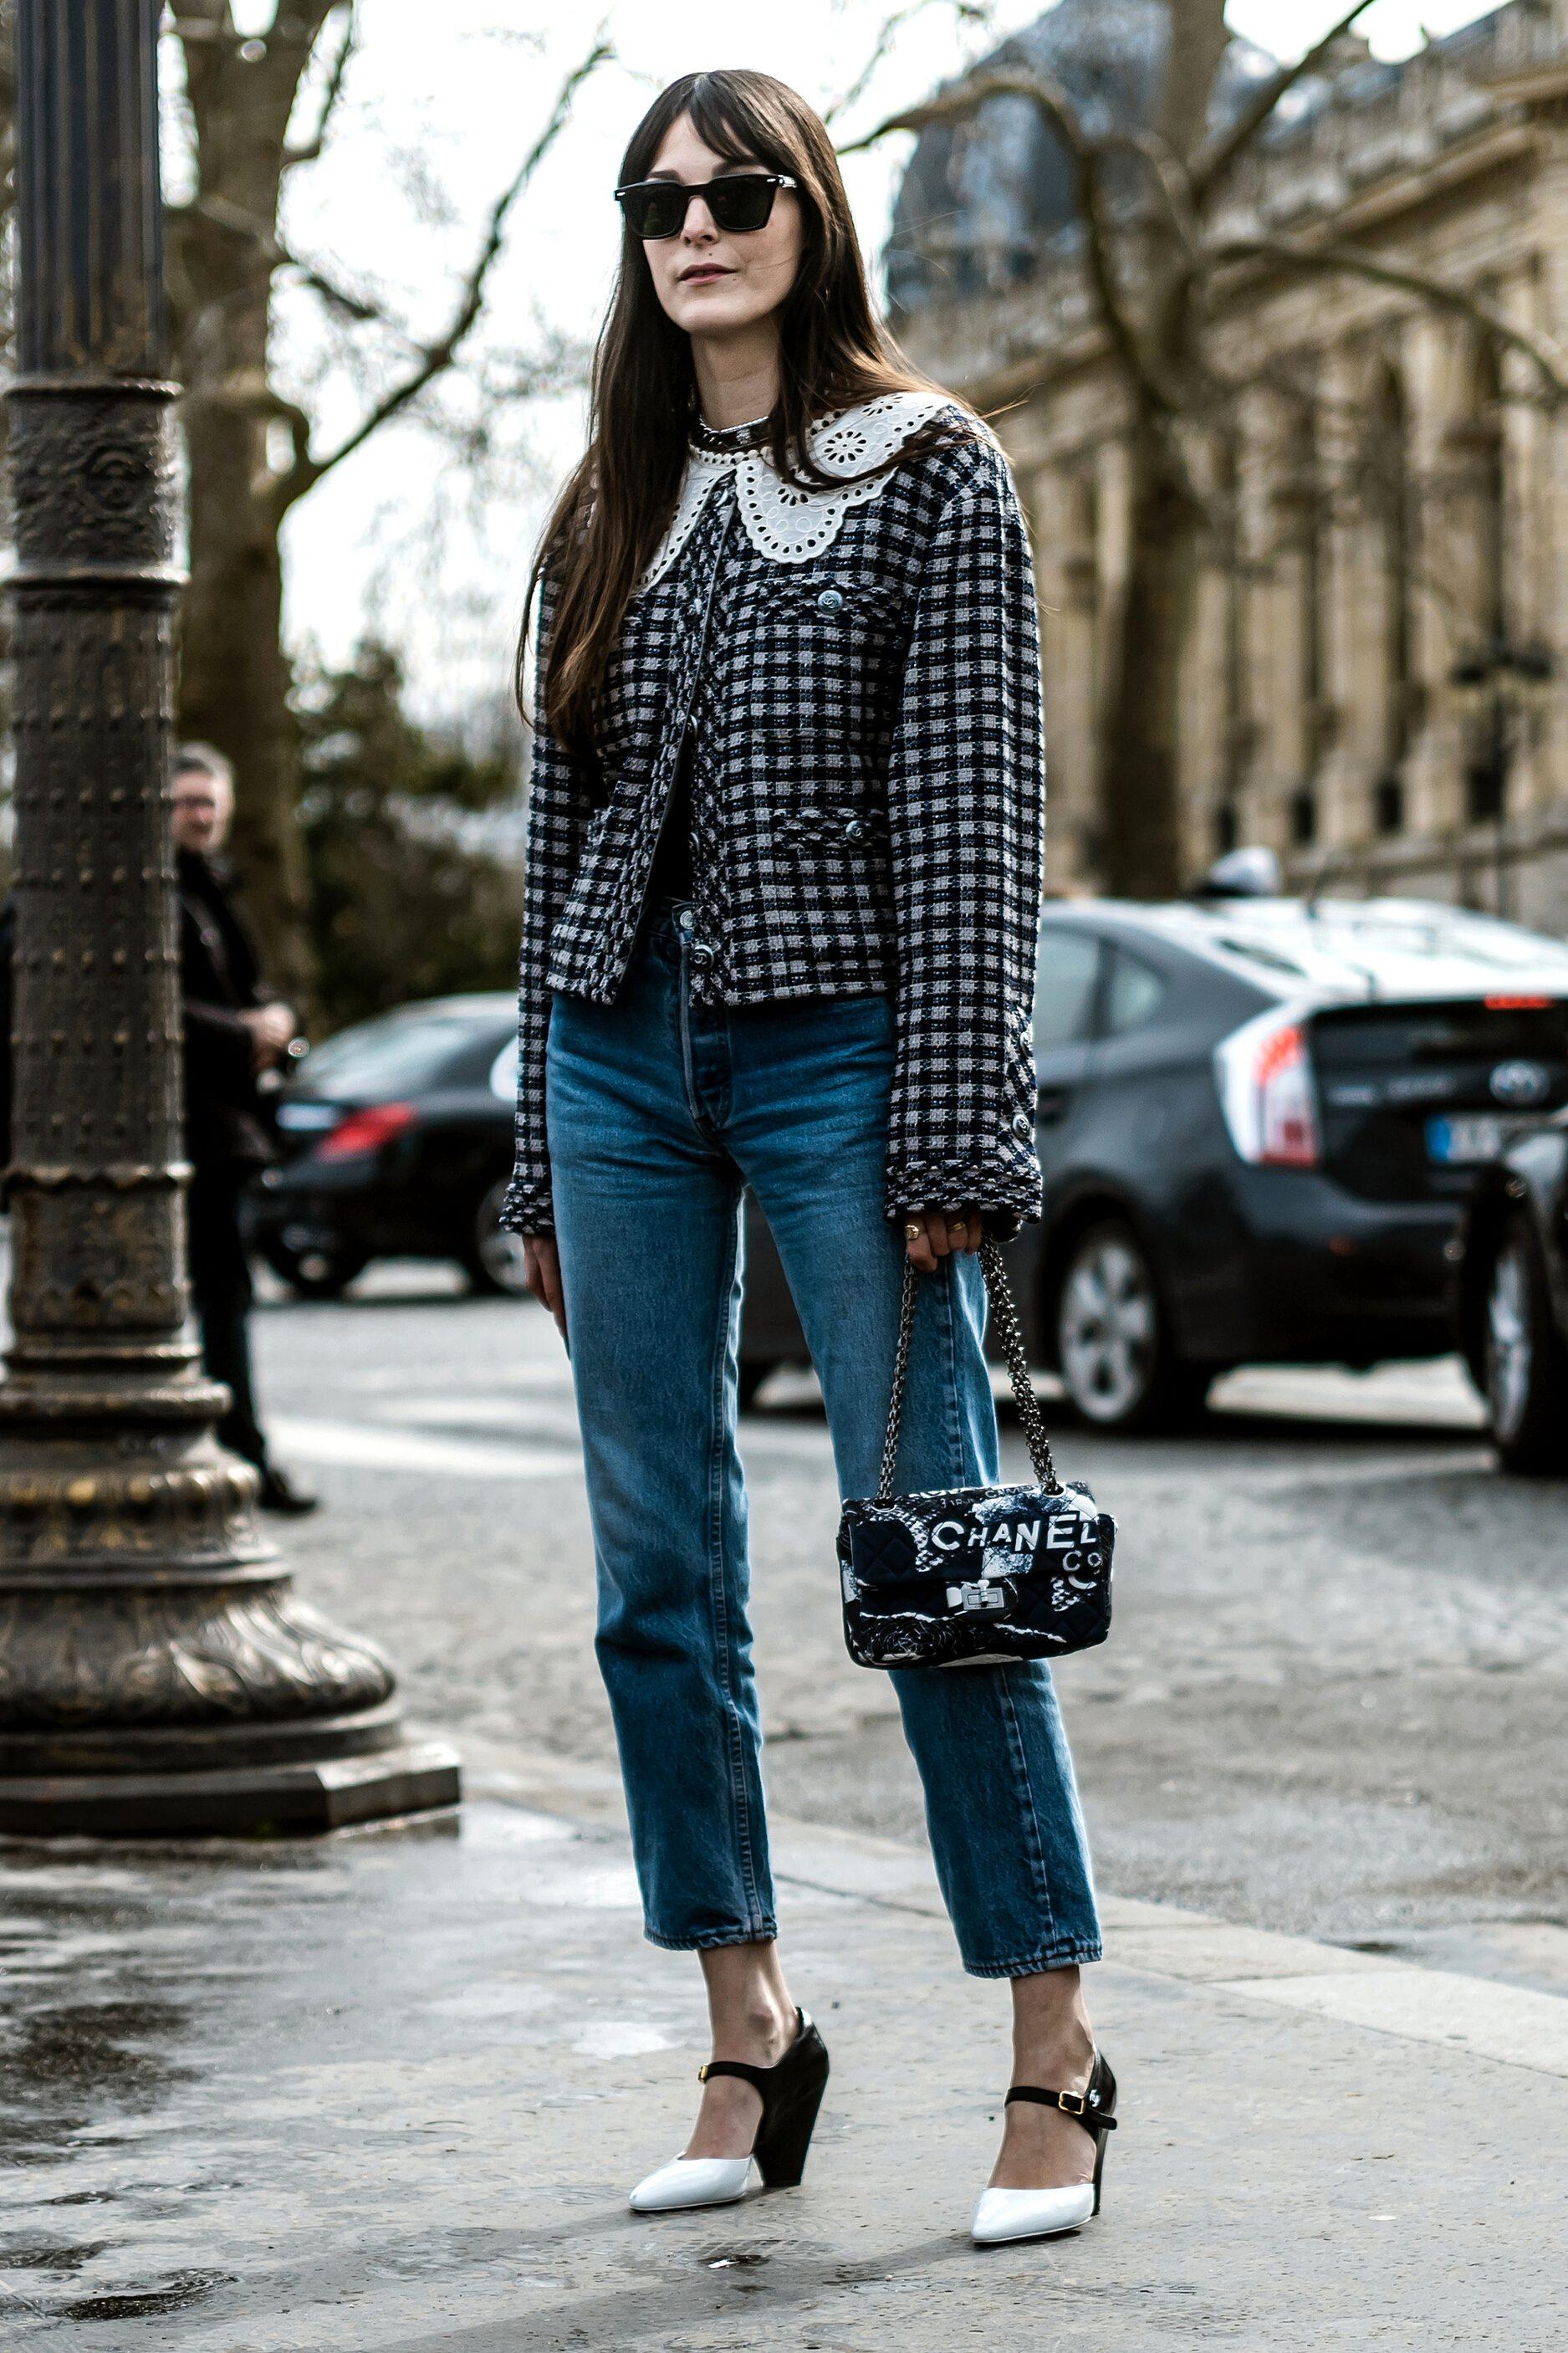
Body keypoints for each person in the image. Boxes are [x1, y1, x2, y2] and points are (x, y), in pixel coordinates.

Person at [502, 70, 1111, 2247]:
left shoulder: (933, 470)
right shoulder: (606, 499)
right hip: (615, 1060)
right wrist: (538, 1150)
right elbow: (553, 850)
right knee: (652, 1576)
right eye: (657, 198)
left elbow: (972, 830)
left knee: (931, 1545)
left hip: (847, 1050)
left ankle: (1051, 2046)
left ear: (807, 216)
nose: (696, 224)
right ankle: (747, 2024)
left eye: (736, 189)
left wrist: (960, 1110)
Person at [173, 745, 317, 1517]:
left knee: (227, 1295)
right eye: (187, 801)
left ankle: (239, 1450)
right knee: (219, 1295)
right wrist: (245, 1031)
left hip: (227, 1124)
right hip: (193, 1124)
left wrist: (277, 1025)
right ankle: (240, 1454)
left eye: (210, 802)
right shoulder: (164, 891)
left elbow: (257, 988)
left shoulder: (219, 888)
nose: (201, 814)